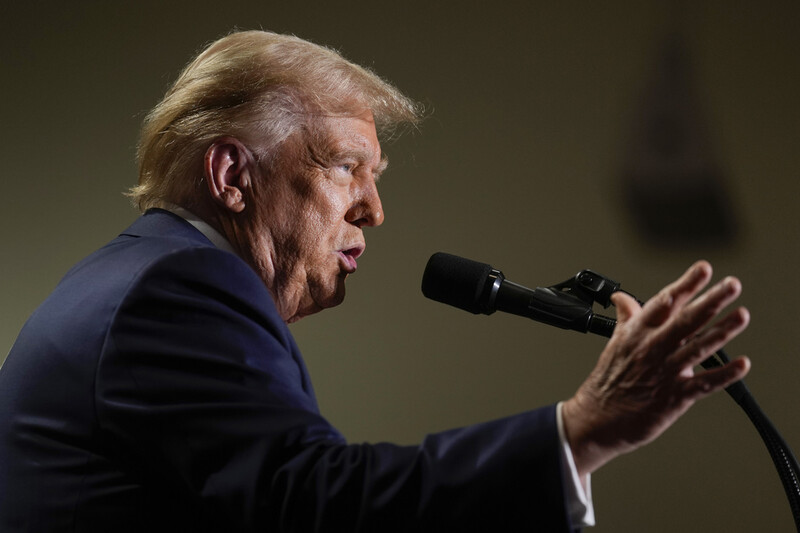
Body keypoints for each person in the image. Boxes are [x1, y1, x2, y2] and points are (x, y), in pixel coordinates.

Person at [0, 30, 750, 532]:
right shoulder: (179, 290)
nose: (375, 209)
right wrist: (580, 430)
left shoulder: (142, 279)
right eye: (345, 167)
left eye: (377, 174)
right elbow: (315, 503)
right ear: (232, 176)